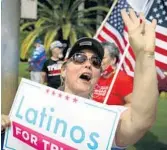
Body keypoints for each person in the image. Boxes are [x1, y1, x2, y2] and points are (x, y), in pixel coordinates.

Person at [2, 9, 158, 149]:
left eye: (96, 62)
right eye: (79, 58)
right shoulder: (33, 105)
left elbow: (140, 121)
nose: (88, 64)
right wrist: (4, 124)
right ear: (63, 70)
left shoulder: (104, 117)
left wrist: (145, 55)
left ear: (98, 76)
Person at [92, 42, 133, 106]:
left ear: (113, 60)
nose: (99, 60)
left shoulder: (122, 79)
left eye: (103, 58)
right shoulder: (96, 76)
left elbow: (132, 104)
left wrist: (115, 113)